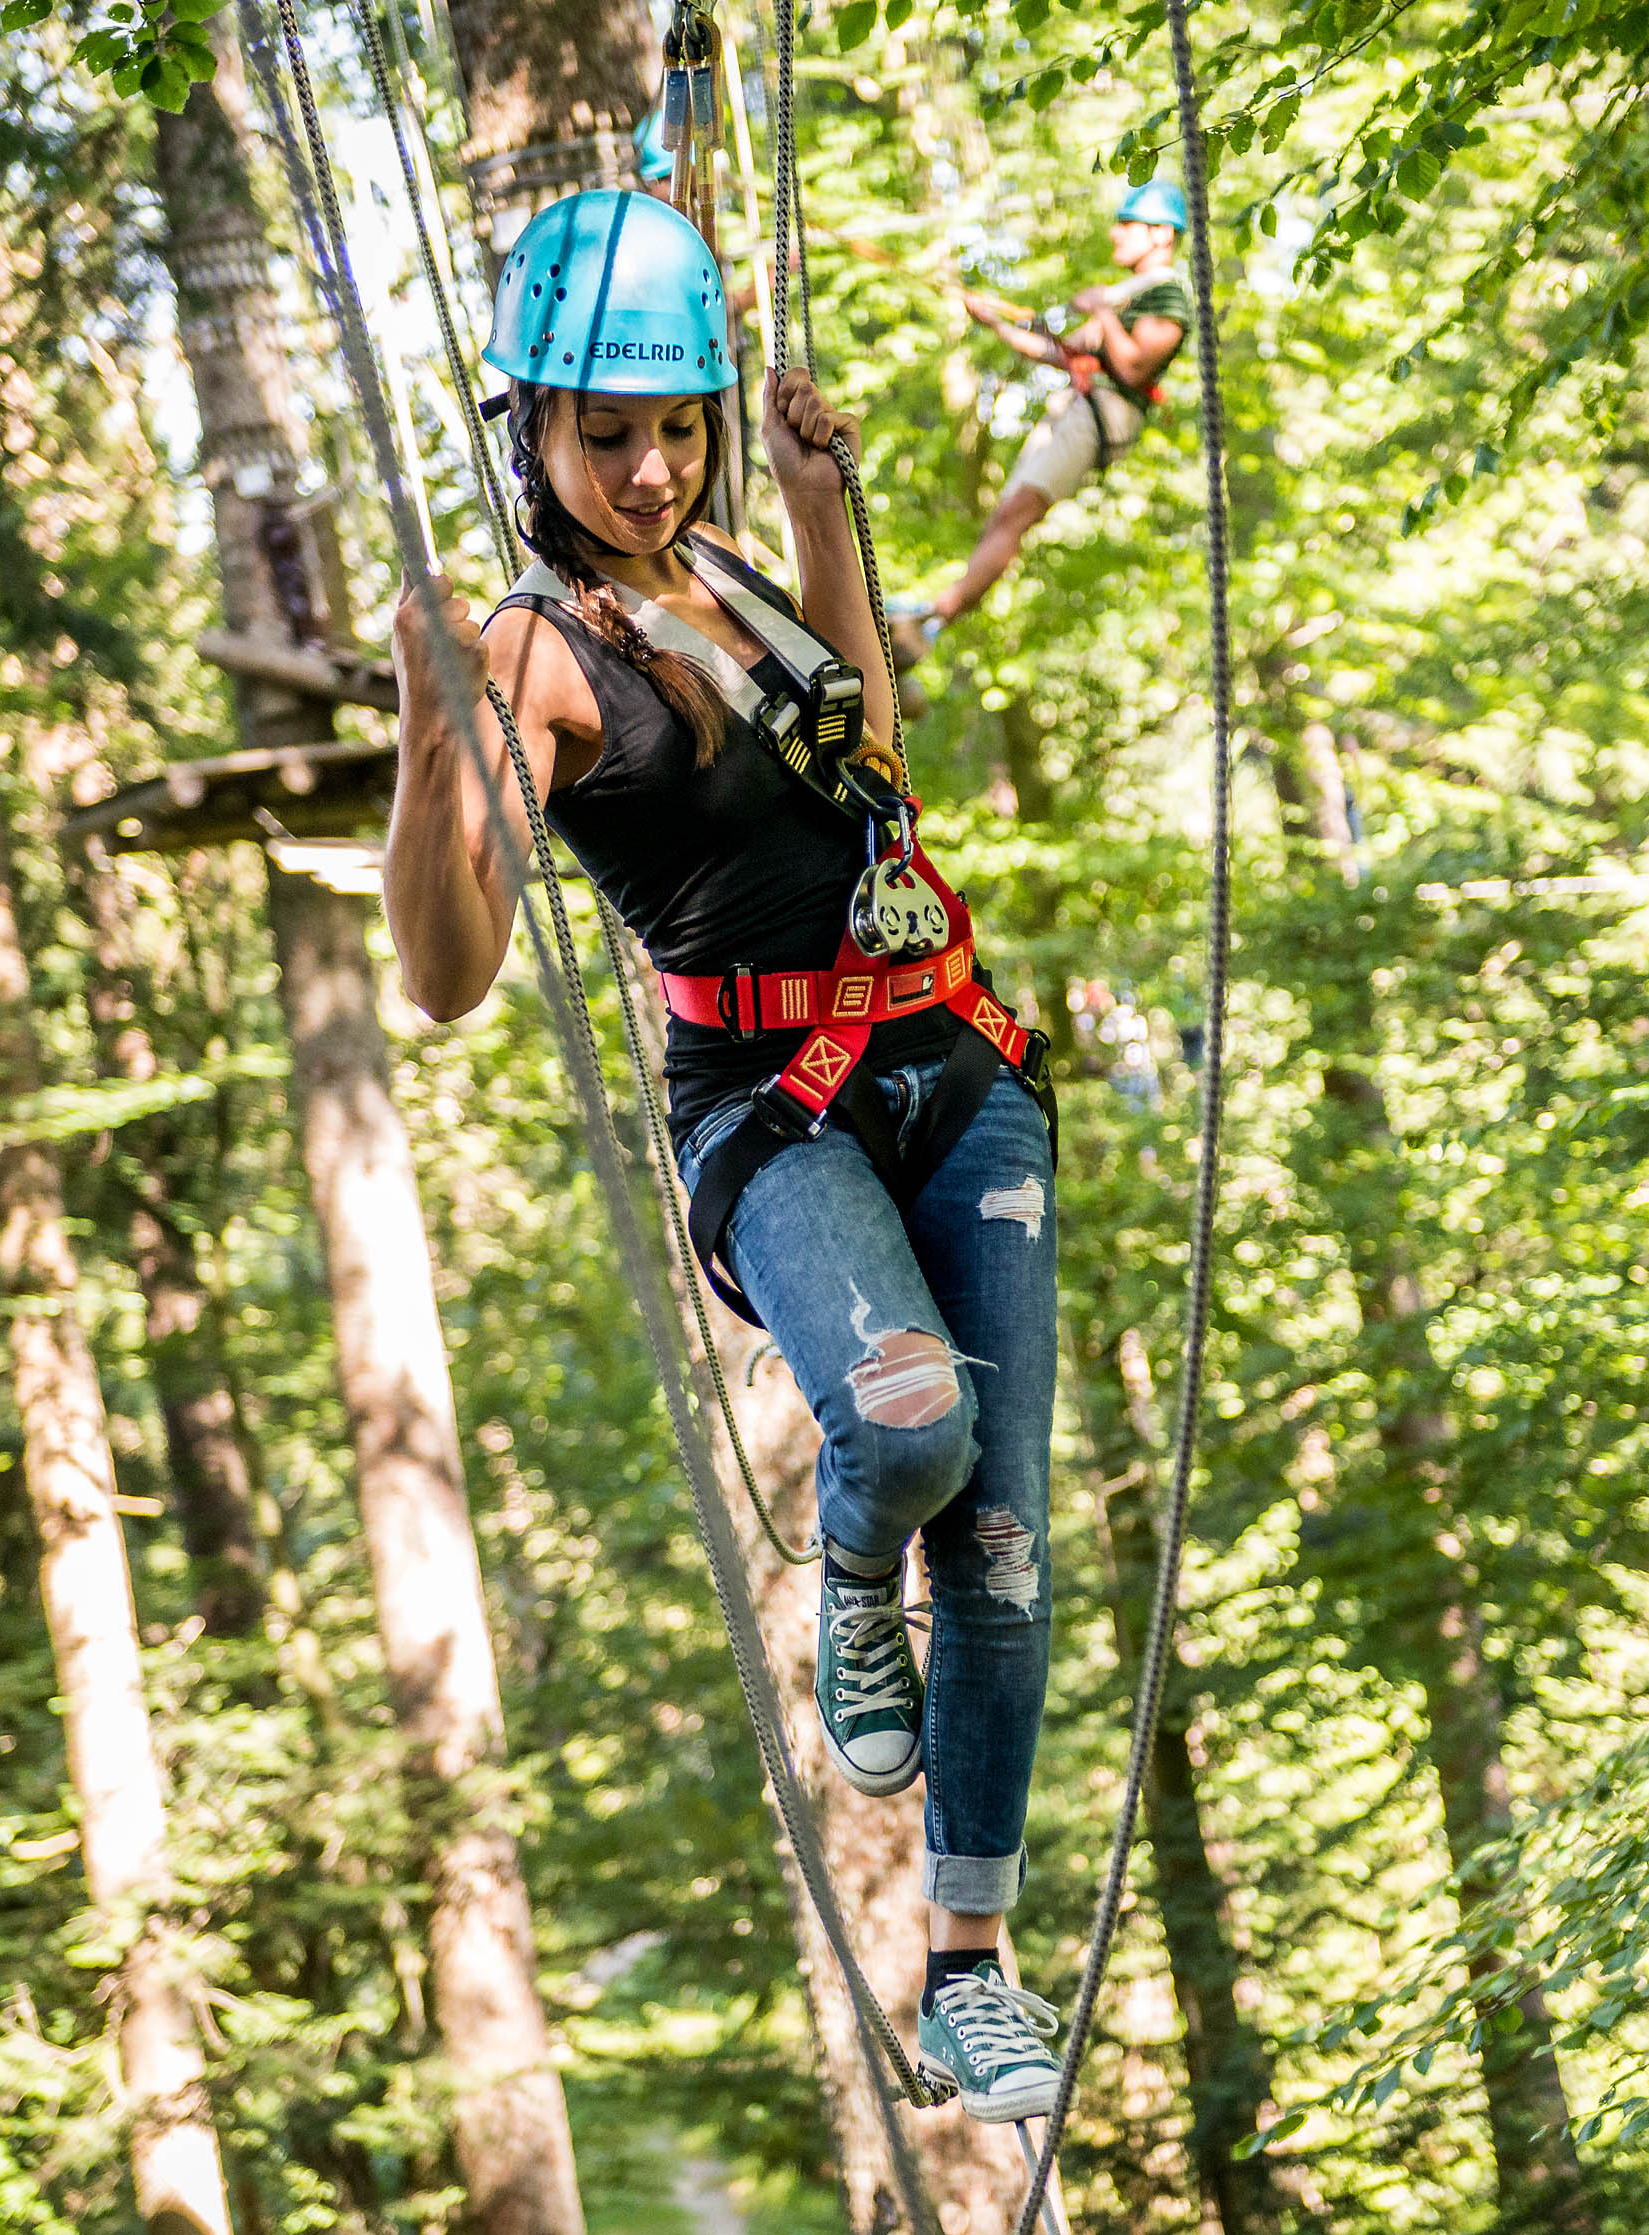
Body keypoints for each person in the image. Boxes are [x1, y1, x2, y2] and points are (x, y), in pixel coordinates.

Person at [381, 189, 1068, 2123]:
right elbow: (445, 972)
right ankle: (851, 1570)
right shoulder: (536, 648)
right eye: (606, 433)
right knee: (911, 1431)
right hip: (772, 1108)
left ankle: (969, 1971)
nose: (649, 468)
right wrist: (431, 741)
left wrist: (823, 511)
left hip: (959, 1063)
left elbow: (873, 765)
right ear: (528, 429)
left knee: (1004, 1543)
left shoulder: (731, 572)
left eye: (676, 428)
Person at [891, 178, 1196, 665]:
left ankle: (934, 619)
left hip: (1102, 415)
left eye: (1128, 224)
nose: (1115, 233)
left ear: (1161, 233)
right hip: (1078, 409)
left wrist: (1103, 310)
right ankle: (932, 616)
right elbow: (1062, 352)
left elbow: (1135, 367)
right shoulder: (1131, 293)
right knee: (1006, 513)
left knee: (1019, 512)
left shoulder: (1168, 295)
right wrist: (996, 323)